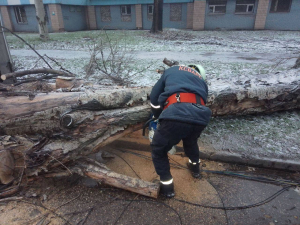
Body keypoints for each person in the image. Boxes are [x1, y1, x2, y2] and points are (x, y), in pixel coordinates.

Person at [149, 64, 211, 198]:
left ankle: (167, 187)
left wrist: (158, 115)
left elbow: (154, 98)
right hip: (201, 117)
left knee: (158, 149)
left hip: (175, 113)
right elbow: (201, 100)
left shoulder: (171, 70)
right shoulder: (201, 81)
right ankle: (195, 168)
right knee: (190, 141)